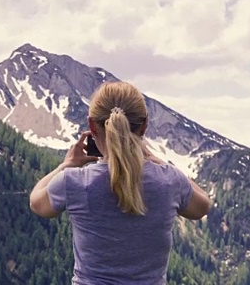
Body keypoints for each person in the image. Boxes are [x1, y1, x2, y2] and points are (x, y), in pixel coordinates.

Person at [29, 81, 211, 284]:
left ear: (91, 125)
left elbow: (37, 203)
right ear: (144, 126)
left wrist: (67, 165)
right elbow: (202, 206)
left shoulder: (74, 182)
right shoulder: (169, 180)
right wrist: (156, 160)